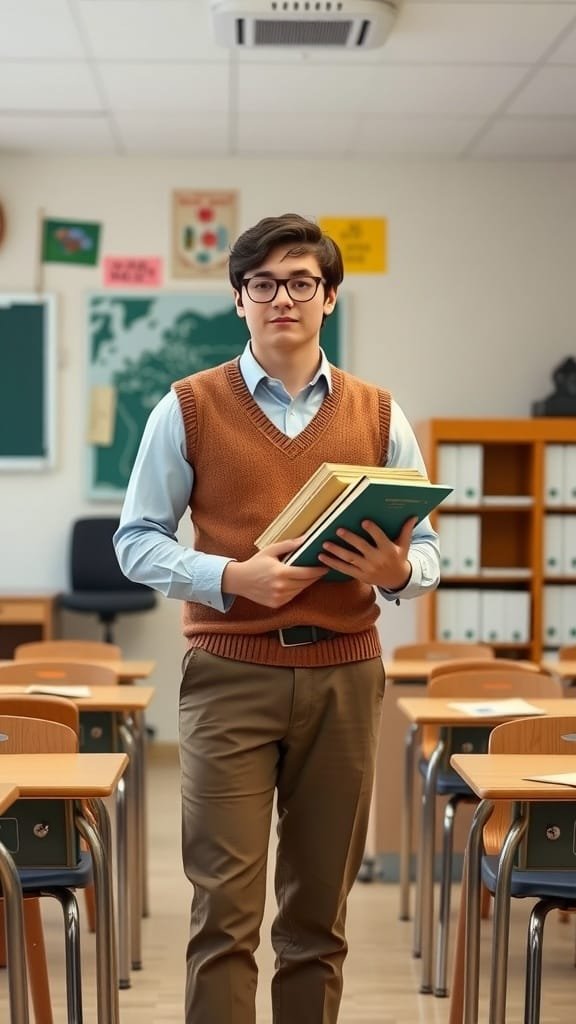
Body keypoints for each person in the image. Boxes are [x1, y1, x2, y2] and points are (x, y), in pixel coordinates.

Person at [114, 212, 440, 1024]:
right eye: (264, 284)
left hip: (345, 673)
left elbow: (426, 550)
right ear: (239, 299)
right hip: (230, 673)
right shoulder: (186, 408)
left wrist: (398, 571)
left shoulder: (379, 414)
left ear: (329, 297)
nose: (282, 298)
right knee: (223, 912)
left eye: (301, 282)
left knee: (317, 916)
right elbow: (136, 541)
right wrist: (229, 577)